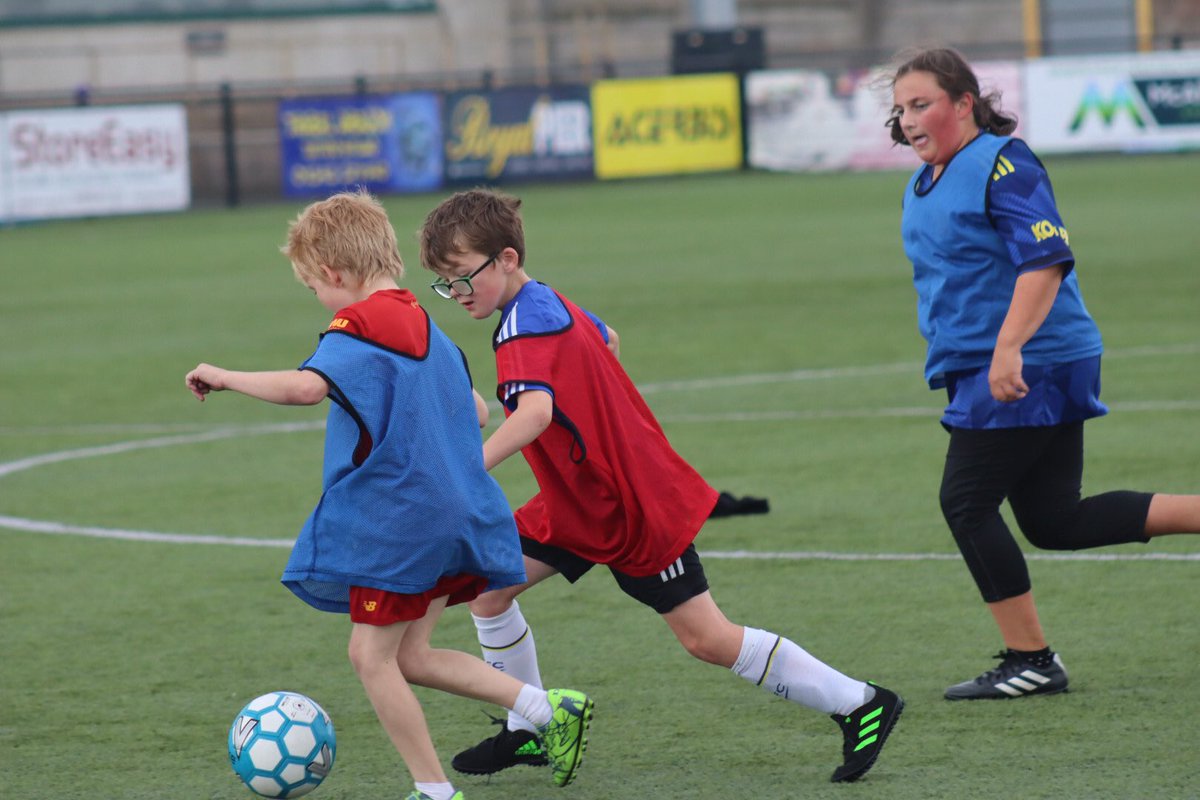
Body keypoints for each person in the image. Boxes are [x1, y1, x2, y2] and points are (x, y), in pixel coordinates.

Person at [417, 188, 903, 784]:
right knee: (491, 593)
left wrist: (466, 470)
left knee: (706, 639)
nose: (458, 293)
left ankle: (860, 703)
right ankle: (530, 728)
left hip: (630, 506)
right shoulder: (544, 300)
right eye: (446, 284)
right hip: (578, 501)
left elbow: (535, 414)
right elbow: (609, 339)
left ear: (508, 258)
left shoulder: (522, 329)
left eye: (464, 277)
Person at [183, 190, 593, 800]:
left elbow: (305, 388)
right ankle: (545, 709)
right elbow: (479, 411)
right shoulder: (428, 327)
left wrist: (222, 376)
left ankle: (434, 791)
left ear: (334, 274)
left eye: (312, 288)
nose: (319, 300)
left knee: (369, 657)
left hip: (404, 521)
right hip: (457, 515)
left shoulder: (359, 326)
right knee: (412, 656)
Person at [887, 47, 1200, 700]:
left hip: (1032, 361)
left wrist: (1008, 349)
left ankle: (1031, 660)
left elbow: (1045, 260)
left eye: (921, 104)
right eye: (900, 108)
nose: (908, 119)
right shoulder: (928, 180)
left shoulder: (1004, 163)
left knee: (965, 503)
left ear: (963, 104)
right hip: (1002, 361)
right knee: (1055, 521)